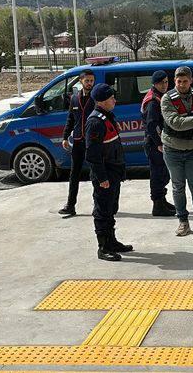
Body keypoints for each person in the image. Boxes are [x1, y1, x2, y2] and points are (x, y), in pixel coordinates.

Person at [161, 66, 193, 240]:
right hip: (172, 149)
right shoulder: (167, 99)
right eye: (178, 81)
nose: (182, 84)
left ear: (191, 80)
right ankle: (183, 221)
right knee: (177, 187)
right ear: (174, 81)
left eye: (185, 81)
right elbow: (175, 123)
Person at [85, 83, 133, 261]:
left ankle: (112, 241)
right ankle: (103, 247)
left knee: (111, 208)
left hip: (114, 172)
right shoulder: (95, 122)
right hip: (104, 174)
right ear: (102, 101)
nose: (115, 100)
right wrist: (102, 177)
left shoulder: (107, 116)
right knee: (102, 210)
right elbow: (92, 155)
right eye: (112, 98)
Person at [59, 69, 96, 217]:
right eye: (87, 80)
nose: (89, 83)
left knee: (95, 173)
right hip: (78, 141)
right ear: (81, 81)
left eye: (91, 81)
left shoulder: (96, 98)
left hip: (92, 142)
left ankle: (98, 205)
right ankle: (70, 205)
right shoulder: (74, 98)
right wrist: (65, 137)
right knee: (74, 174)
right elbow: (70, 119)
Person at [141, 70, 176, 217]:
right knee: (158, 173)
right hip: (154, 143)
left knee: (163, 173)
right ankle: (157, 204)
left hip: (157, 142)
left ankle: (162, 199)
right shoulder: (153, 101)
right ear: (154, 84)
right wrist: (159, 143)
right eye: (161, 83)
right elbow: (151, 125)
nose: (164, 85)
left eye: (166, 82)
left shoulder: (159, 97)